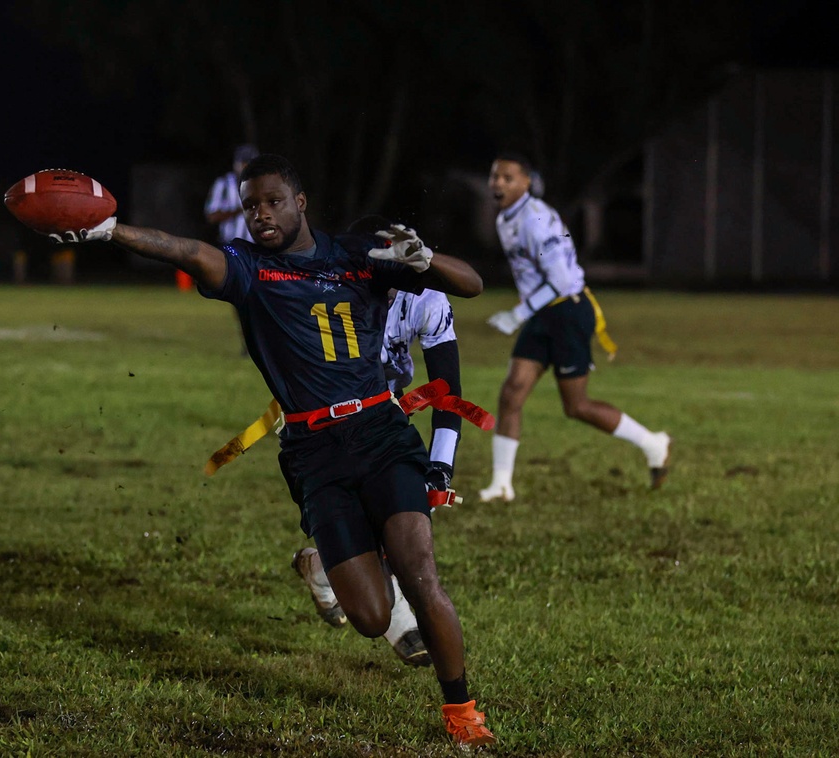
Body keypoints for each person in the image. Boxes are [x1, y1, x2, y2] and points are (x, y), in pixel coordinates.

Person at [48, 154, 495, 748]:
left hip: (382, 434)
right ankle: (320, 565)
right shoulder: (248, 268)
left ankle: (462, 711)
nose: (260, 215)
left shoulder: (356, 256)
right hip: (315, 453)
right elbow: (186, 251)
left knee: (420, 573)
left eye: (272, 202)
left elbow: (471, 285)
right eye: (250, 205)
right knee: (371, 617)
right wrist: (109, 230)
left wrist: (427, 259)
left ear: (300, 202)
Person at [292, 216, 466, 669]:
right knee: (368, 510)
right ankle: (395, 615)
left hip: (387, 409)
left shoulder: (425, 296)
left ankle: (329, 570)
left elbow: (447, 386)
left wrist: (441, 464)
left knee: (406, 512)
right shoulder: (327, 286)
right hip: (327, 413)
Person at [480, 151, 670, 503]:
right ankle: (501, 484)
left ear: (526, 182)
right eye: (495, 177)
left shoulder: (536, 219)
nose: (498, 184)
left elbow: (562, 280)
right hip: (543, 313)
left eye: (508, 178)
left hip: (568, 310)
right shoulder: (508, 218)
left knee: (576, 406)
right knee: (512, 392)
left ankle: (652, 443)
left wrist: (518, 314)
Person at [204, 144, 259, 352]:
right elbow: (212, 215)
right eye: (244, 163)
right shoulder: (224, 184)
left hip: (259, 246)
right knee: (241, 295)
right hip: (234, 247)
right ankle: (249, 340)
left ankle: (260, 338)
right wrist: (240, 209)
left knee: (261, 293)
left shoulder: (263, 182)